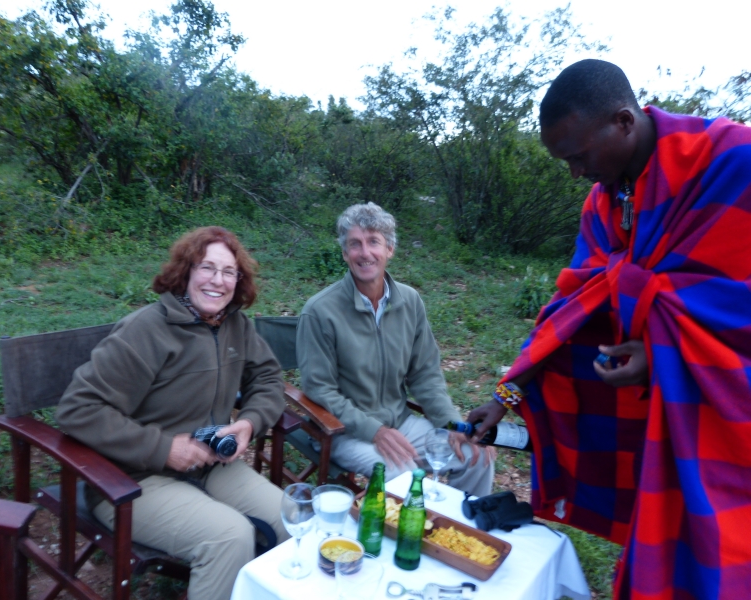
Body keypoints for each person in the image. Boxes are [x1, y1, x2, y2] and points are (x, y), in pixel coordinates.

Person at [468, 59, 751, 598]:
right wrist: (506, 396)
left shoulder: (733, 162)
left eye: (578, 156)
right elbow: (570, 308)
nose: (575, 173)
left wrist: (663, 352)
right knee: (659, 541)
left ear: (623, 122)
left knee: (717, 551)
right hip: (657, 412)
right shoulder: (605, 201)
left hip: (723, 413)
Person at [56, 226, 289, 600]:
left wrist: (250, 422)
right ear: (186, 272)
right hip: (133, 480)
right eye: (207, 267)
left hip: (210, 465)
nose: (218, 280)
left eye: (229, 272)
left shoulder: (235, 325)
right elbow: (78, 408)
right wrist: (163, 448)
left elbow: (268, 377)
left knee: (292, 519)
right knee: (229, 538)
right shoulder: (145, 330)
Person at [297, 202, 494, 496]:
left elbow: (425, 374)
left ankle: (463, 524)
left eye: (373, 242)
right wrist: (375, 431)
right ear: (345, 253)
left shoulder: (410, 301)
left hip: (400, 423)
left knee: (475, 457)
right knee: (403, 477)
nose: (365, 252)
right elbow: (319, 389)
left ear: (389, 249)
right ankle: (404, 525)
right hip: (343, 431)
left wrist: (452, 424)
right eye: (355, 244)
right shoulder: (320, 311)